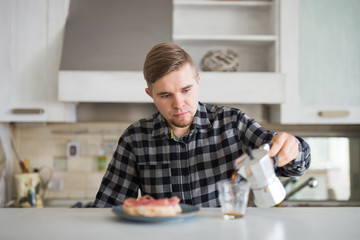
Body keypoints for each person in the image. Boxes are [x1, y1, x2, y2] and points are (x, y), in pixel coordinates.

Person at [94, 43, 311, 208]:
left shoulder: (232, 123)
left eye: (186, 90)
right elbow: (108, 206)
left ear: (198, 81)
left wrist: (293, 149)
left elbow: (294, 166)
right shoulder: (135, 138)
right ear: (150, 95)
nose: (179, 104)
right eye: (165, 95)